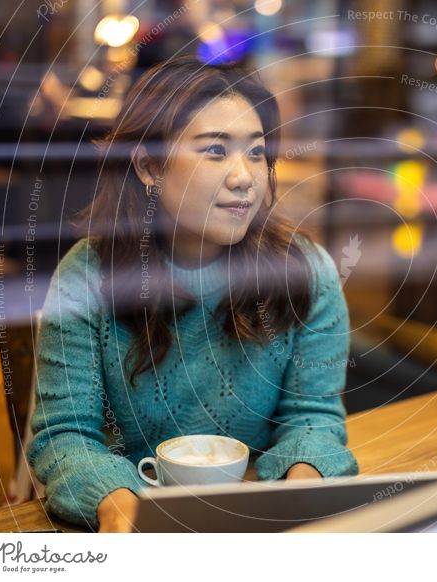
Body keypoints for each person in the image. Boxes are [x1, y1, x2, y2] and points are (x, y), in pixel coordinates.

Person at [27, 55, 359, 532]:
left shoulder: (305, 272)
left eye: (257, 152)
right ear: (147, 166)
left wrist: (299, 492)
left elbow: (313, 418)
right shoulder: (87, 275)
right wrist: (119, 508)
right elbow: (66, 435)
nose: (245, 176)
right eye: (216, 151)